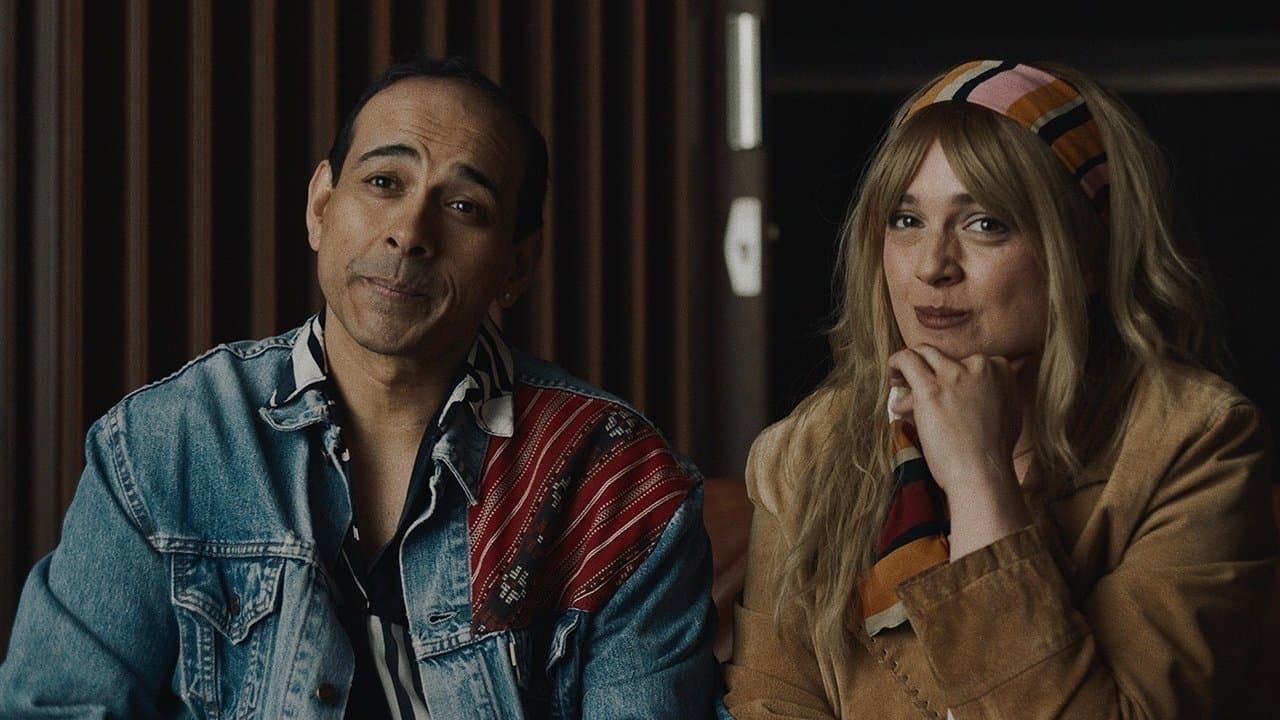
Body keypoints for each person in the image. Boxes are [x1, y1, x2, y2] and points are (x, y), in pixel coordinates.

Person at [0, 55, 718, 718]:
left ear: (517, 266)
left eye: (464, 206)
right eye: (383, 183)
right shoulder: (167, 442)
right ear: (321, 206)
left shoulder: (613, 481)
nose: (409, 232)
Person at [720, 59, 1279, 718]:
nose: (932, 266)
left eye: (986, 223)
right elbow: (772, 706)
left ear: (1086, 255)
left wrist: (979, 477)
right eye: (905, 220)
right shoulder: (806, 452)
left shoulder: (1193, 443)